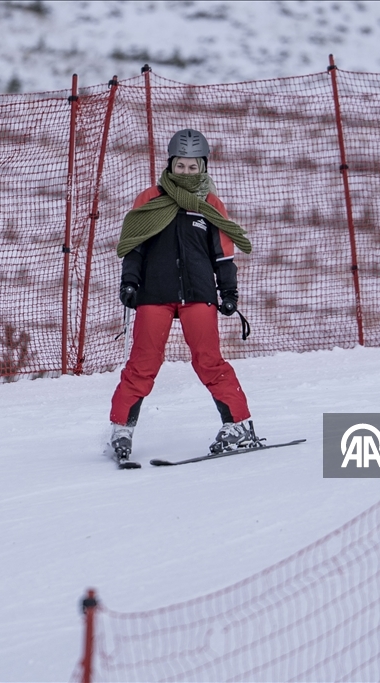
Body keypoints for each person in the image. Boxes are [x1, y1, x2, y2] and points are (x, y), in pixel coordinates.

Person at [108, 129, 258, 464]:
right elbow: (134, 247)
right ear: (170, 164)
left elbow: (223, 253)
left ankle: (239, 426)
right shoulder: (149, 198)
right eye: (180, 166)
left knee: (210, 362)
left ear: (203, 167)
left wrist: (228, 291)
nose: (186, 173)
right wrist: (129, 282)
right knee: (142, 364)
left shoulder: (211, 204)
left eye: (193, 167)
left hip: (198, 293)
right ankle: (121, 430)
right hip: (154, 294)